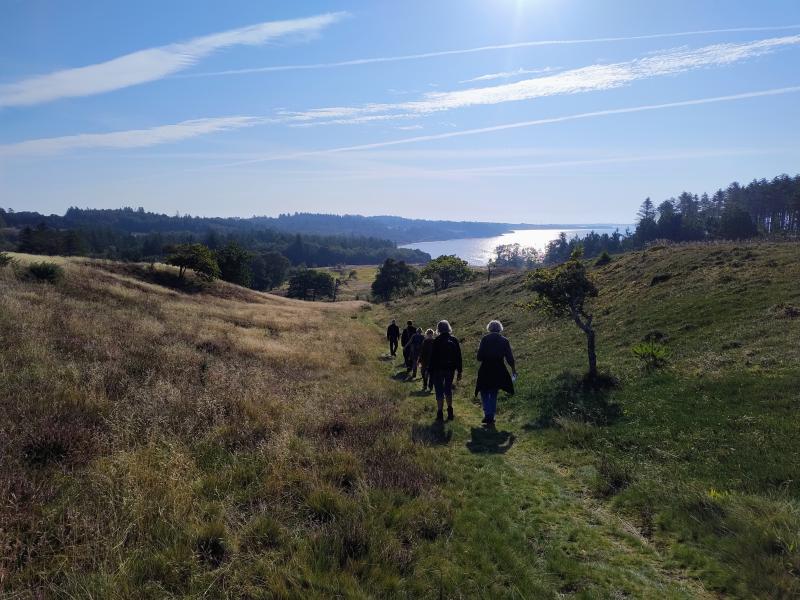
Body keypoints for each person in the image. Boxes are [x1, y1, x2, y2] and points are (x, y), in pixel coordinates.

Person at [474, 320, 516, 426]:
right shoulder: (504, 341)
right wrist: (513, 369)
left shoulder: (485, 339)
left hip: (485, 368)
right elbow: (509, 357)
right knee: (493, 392)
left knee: (484, 391)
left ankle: (487, 414)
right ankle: (491, 416)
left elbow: (479, 357)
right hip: (498, 368)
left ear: (489, 328)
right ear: (500, 329)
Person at [429, 320, 462, 421]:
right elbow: (458, 356)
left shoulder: (436, 340)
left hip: (438, 369)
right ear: (448, 328)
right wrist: (459, 371)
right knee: (448, 389)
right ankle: (450, 411)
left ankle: (440, 413)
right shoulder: (454, 340)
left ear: (438, 329)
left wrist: (429, 371)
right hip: (450, 369)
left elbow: (432, 357)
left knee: (439, 390)